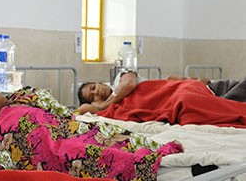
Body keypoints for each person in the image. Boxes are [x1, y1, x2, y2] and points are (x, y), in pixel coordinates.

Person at [77, 71, 246, 115]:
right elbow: (83, 110)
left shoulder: (120, 79)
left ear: (98, 82)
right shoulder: (115, 108)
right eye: (93, 96)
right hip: (183, 98)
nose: (97, 92)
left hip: (204, 89)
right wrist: (97, 107)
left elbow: (128, 84)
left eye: (93, 88)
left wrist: (103, 106)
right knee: (230, 106)